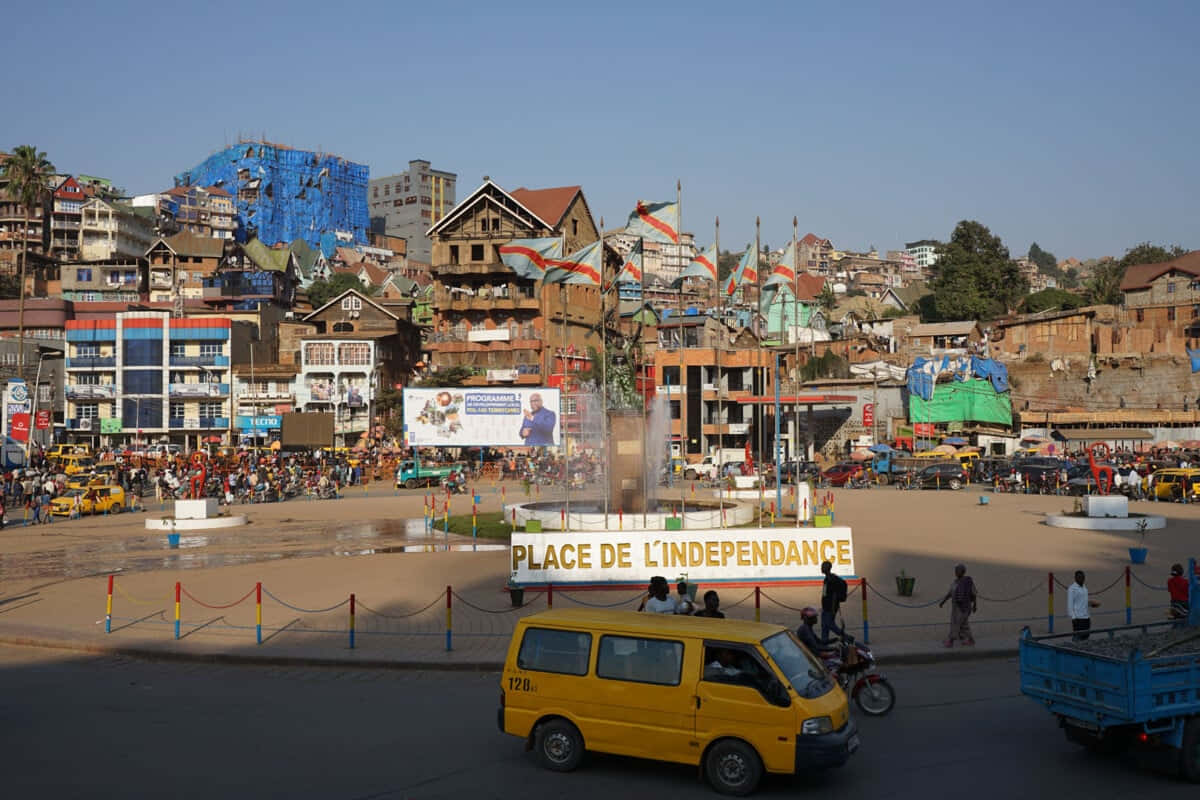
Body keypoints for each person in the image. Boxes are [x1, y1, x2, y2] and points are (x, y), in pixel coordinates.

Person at [939, 564, 978, 647]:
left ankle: (950, 641)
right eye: (956, 570)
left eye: (958, 570)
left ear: (963, 572)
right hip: (955, 608)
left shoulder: (967, 582)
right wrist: (943, 602)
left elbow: (974, 594)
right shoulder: (955, 582)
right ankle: (971, 640)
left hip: (964, 607)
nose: (956, 572)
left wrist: (975, 605)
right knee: (964, 625)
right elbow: (950, 593)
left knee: (956, 624)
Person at [819, 560, 847, 643]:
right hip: (826, 607)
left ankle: (846, 637)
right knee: (824, 626)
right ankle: (824, 643)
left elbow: (834, 595)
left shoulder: (831, 580)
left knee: (830, 625)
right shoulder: (827, 579)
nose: (821, 568)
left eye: (823, 567)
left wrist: (833, 609)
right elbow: (825, 594)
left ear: (827, 568)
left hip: (830, 608)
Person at [1068, 570, 1100, 640]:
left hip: (1086, 618)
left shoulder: (1085, 588)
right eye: (1079, 577)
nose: (1081, 579)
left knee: (1086, 637)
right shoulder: (1072, 589)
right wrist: (1073, 618)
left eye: (1083, 577)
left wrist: (1092, 604)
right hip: (1078, 619)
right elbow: (1070, 605)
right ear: (1075, 578)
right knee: (1077, 638)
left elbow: (1083, 601)